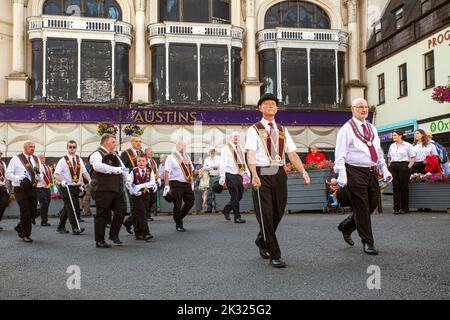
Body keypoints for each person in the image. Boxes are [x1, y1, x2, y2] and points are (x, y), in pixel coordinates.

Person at [245, 93, 310, 268]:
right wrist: (254, 174)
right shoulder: (254, 129)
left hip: (279, 173)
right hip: (261, 173)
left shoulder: (282, 130)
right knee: (265, 214)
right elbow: (250, 153)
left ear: (277, 108)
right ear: (260, 108)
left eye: (273, 104)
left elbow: (292, 153)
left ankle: (262, 239)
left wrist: (303, 171)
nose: (270, 107)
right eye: (266, 104)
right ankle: (275, 254)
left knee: (277, 212)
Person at [334, 98, 392, 256]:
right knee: (362, 206)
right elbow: (340, 154)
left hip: (371, 170)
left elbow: (378, 150)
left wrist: (384, 169)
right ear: (352, 109)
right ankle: (368, 242)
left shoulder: (372, 127)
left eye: (366, 107)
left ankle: (347, 226)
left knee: (372, 204)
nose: (364, 109)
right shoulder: (346, 129)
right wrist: (342, 174)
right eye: (360, 107)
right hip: (354, 170)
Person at [89, 134, 129, 248]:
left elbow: (123, 168)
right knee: (102, 215)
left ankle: (113, 234)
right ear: (105, 142)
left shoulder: (115, 155)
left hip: (117, 189)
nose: (115, 144)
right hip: (102, 189)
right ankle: (99, 240)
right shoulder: (96, 154)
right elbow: (97, 166)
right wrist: (115, 170)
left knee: (122, 211)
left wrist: (129, 180)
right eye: (113, 142)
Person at [6, 141, 44, 243]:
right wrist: (18, 178)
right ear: (24, 147)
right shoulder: (16, 159)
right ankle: (25, 234)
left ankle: (20, 226)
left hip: (32, 189)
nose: (32, 148)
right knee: (25, 212)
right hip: (21, 189)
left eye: (34, 147)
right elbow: (8, 174)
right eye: (30, 147)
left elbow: (41, 173)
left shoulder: (36, 159)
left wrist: (39, 177)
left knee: (33, 211)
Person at [54, 141, 91, 235]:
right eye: (70, 147)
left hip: (76, 186)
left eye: (74, 147)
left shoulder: (79, 159)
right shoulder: (63, 160)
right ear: (67, 148)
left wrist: (90, 180)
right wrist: (62, 181)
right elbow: (56, 174)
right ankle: (75, 228)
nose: (72, 148)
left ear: (76, 148)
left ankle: (60, 227)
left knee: (68, 207)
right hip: (66, 186)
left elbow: (84, 172)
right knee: (72, 206)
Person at [163, 140, 195, 232]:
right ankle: (179, 224)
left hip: (186, 183)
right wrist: (166, 186)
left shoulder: (187, 157)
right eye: (183, 147)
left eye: (185, 147)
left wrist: (192, 182)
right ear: (178, 146)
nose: (185, 148)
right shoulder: (171, 157)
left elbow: (191, 171)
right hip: (175, 183)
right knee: (177, 204)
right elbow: (166, 172)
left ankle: (179, 217)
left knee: (190, 202)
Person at [219, 131, 249, 223]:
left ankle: (226, 210)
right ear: (231, 138)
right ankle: (237, 217)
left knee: (239, 195)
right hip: (229, 174)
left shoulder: (240, 148)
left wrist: (247, 172)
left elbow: (243, 161)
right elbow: (222, 162)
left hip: (238, 174)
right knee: (235, 195)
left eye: (238, 136)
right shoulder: (226, 148)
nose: (236, 138)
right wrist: (222, 176)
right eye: (234, 136)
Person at [387, 130, 416, 214]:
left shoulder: (407, 145)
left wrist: (408, 167)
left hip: (404, 165)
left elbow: (413, 157)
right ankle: (396, 208)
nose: (393, 137)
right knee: (395, 187)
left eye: (395, 135)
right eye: (393, 135)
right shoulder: (391, 145)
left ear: (400, 136)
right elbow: (389, 157)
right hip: (393, 166)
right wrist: (389, 166)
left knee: (404, 187)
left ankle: (405, 208)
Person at [128, 155, 155, 241]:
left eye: (143, 161)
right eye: (139, 161)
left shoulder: (150, 170)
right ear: (137, 162)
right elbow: (128, 183)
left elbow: (152, 182)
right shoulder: (133, 171)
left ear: (146, 162)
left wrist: (141, 186)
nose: (141, 163)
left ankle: (137, 233)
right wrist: (133, 190)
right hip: (136, 195)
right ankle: (146, 233)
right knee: (142, 213)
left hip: (145, 194)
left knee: (137, 213)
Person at [121, 136, 145, 233]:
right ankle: (137, 231)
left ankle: (128, 221)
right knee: (135, 206)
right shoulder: (125, 153)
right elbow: (122, 168)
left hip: (142, 183)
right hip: (131, 183)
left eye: (140, 141)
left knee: (141, 206)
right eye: (136, 141)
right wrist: (133, 171)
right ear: (132, 142)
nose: (138, 143)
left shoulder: (142, 153)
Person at [35, 154, 53, 226]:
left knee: (47, 203)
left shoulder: (47, 167)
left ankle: (33, 216)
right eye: (41, 158)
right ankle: (44, 221)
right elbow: (36, 176)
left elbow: (50, 176)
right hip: (40, 187)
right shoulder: (37, 166)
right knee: (44, 203)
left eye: (44, 158)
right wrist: (42, 179)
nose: (43, 159)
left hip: (47, 187)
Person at [203, 147, 221, 213]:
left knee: (216, 192)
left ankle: (217, 208)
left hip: (217, 177)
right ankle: (209, 209)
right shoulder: (207, 159)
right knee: (209, 193)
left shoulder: (219, 158)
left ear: (216, 152)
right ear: (209, 152)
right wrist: (212, 167)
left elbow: (219, 165)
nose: (212, 152)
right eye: (211, 151)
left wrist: (209, 167)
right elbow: (204, 167)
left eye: (213, 151)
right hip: (209, 177)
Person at [145, 147, 161, 221]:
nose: (152, 153)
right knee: (147, 199)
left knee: (153, 199)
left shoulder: (153, 161)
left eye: (152, 152)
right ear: (146, 153)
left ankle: (147, 212)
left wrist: (158, 179)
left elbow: (156, 171)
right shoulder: (143, 160)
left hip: (153, 183)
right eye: (150, 152)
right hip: (146, 183)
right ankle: (147, 216)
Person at [0, 150, 10, 230]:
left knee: (4, 203)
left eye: (0, 153)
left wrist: (7, 187)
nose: (0, 155)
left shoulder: (3, 163)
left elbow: (6, 175)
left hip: (2, 187)